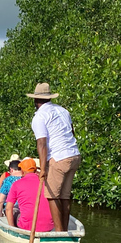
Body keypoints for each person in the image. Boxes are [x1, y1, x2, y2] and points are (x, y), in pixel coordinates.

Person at [27, 83, 81, 232]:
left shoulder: (39, 117)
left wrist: (42, 169)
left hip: (59, 158)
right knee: (64, 196)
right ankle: (64, 230)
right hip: (74, 155)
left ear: (36, 101)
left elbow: (42, 144)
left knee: (51, 196)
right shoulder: (63, 111)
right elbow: (72, 133)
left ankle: (59, 232)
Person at [5, 158, 54, 232]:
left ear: (22, 171)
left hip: (26, 227)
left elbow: (8, 209)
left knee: (14, 210)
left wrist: (12, 228)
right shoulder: (46, 183)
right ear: (35, 170)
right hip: (49, 227)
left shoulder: (16, 184)